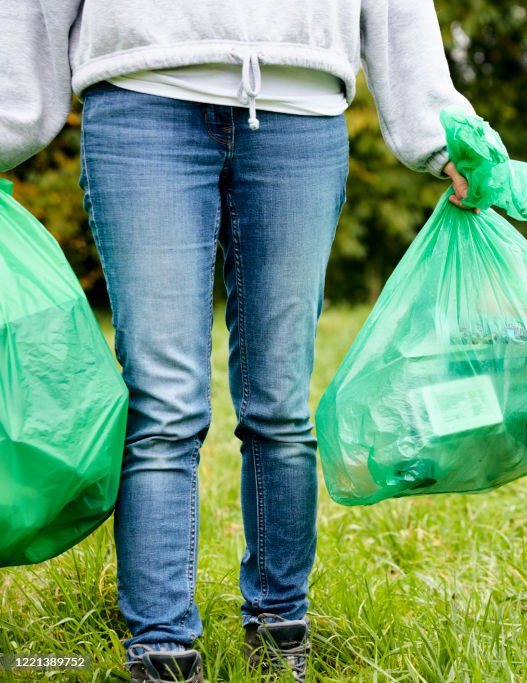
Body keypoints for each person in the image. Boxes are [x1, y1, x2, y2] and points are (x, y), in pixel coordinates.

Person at [1, 2, 476, 681]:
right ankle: (162, 650)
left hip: (301, 113)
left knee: (279, 405)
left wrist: (441, 135)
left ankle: (281, 631)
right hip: (142, 104)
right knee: (161, 405)